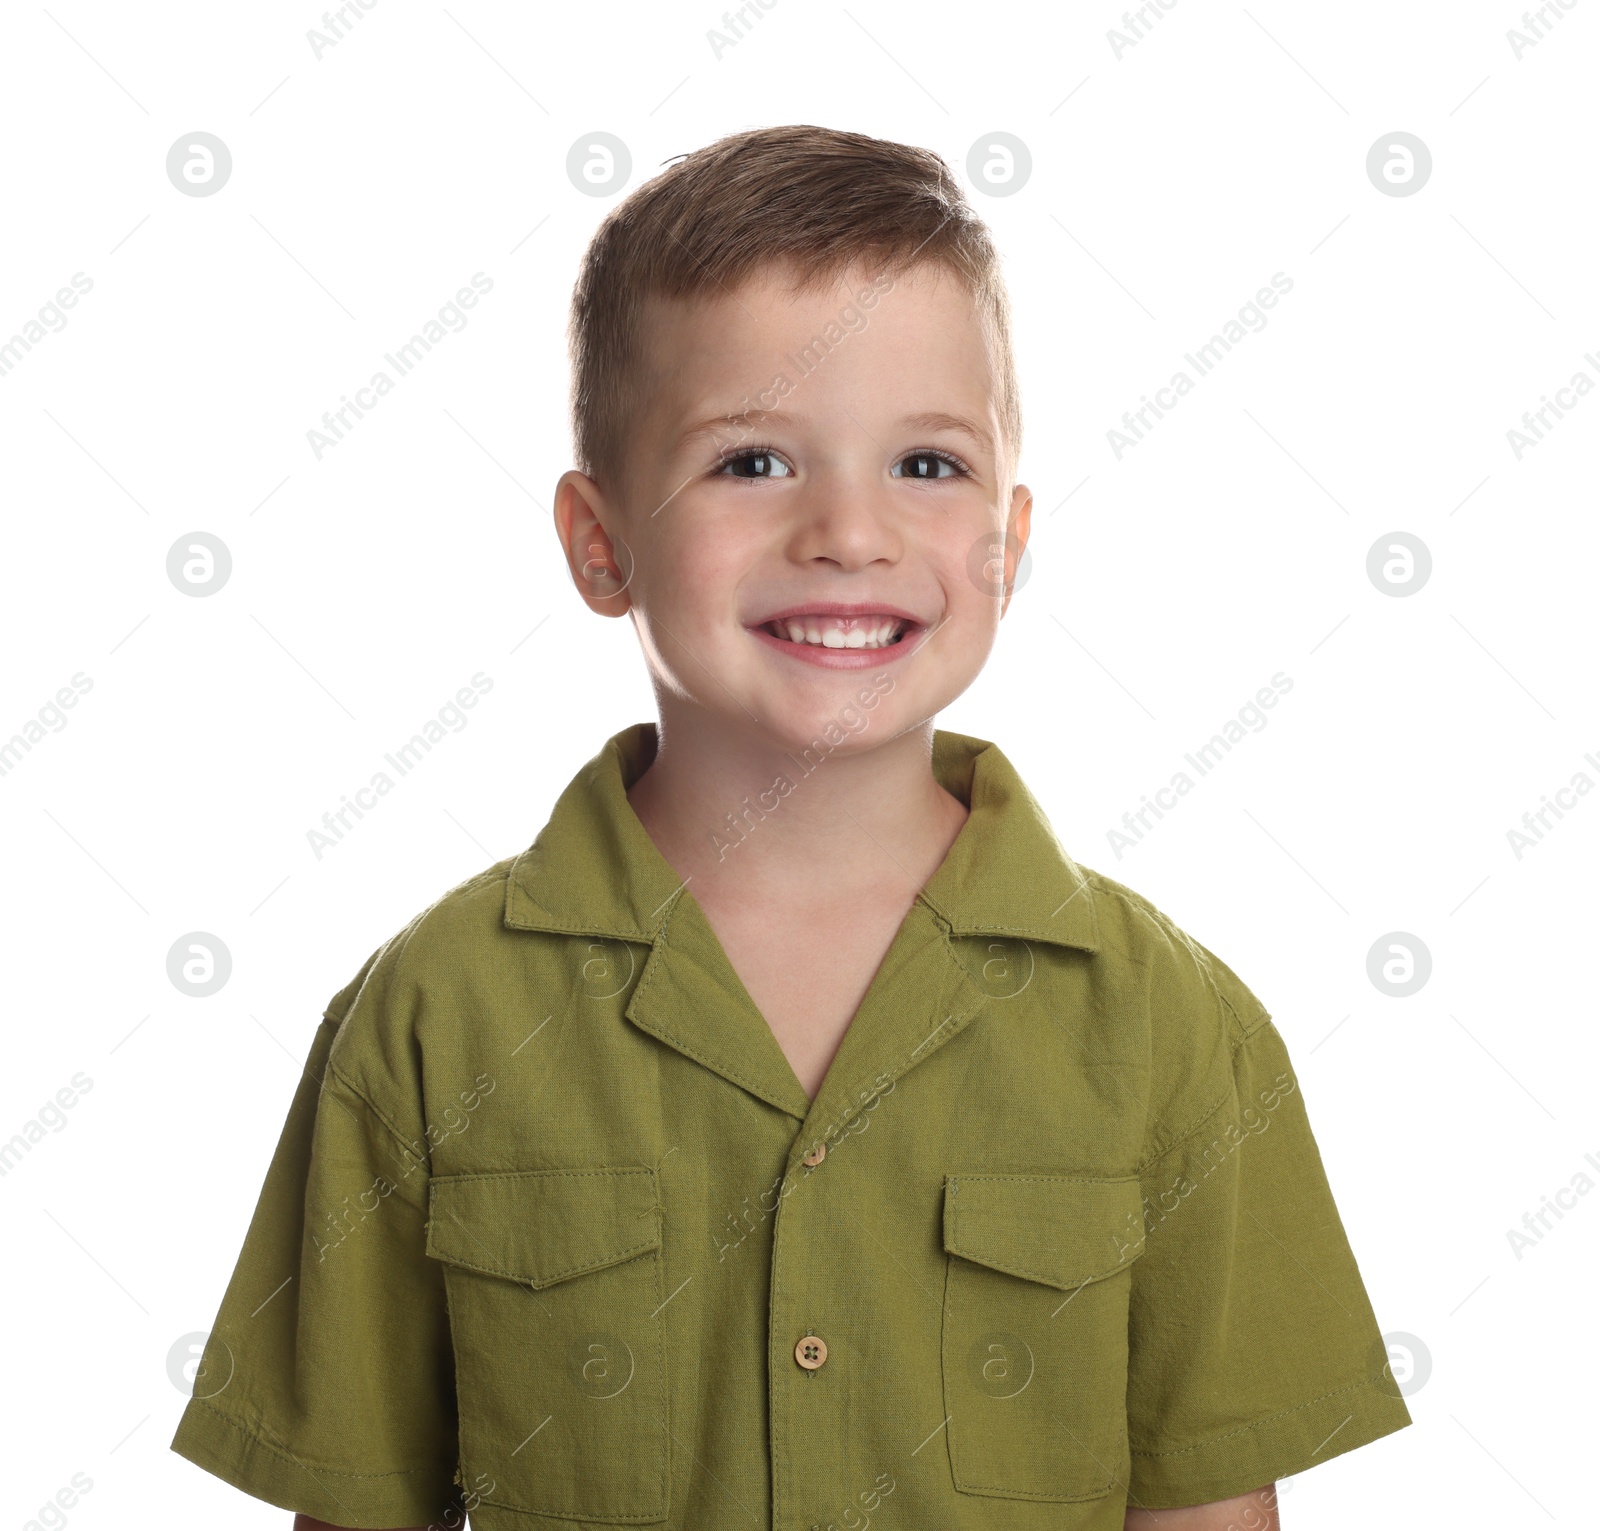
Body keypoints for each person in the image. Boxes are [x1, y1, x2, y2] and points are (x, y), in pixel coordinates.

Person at [170, 124, 1410, 1531]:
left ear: (1008, 540)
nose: (848, 532)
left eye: (926, 468)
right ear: (600, 543)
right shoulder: (428, 1019)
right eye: (754, 462)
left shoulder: (1177, 1031)